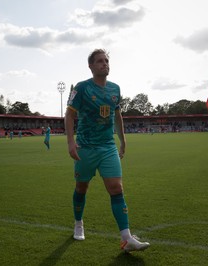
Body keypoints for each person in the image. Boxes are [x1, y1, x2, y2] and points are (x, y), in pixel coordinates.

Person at [64, 49, 150, 253]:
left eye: (107, 61)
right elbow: (69, 116)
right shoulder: (82, 88)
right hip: (85, 147)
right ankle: (78, 223)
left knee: (116, 189)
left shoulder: (115, 89)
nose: (105, 64)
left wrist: (122, 139)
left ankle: (126, 238)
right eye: (100, 61)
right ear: (91, 66)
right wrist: (70, 142)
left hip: (107, 147)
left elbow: (117, 115)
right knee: (81, 188)